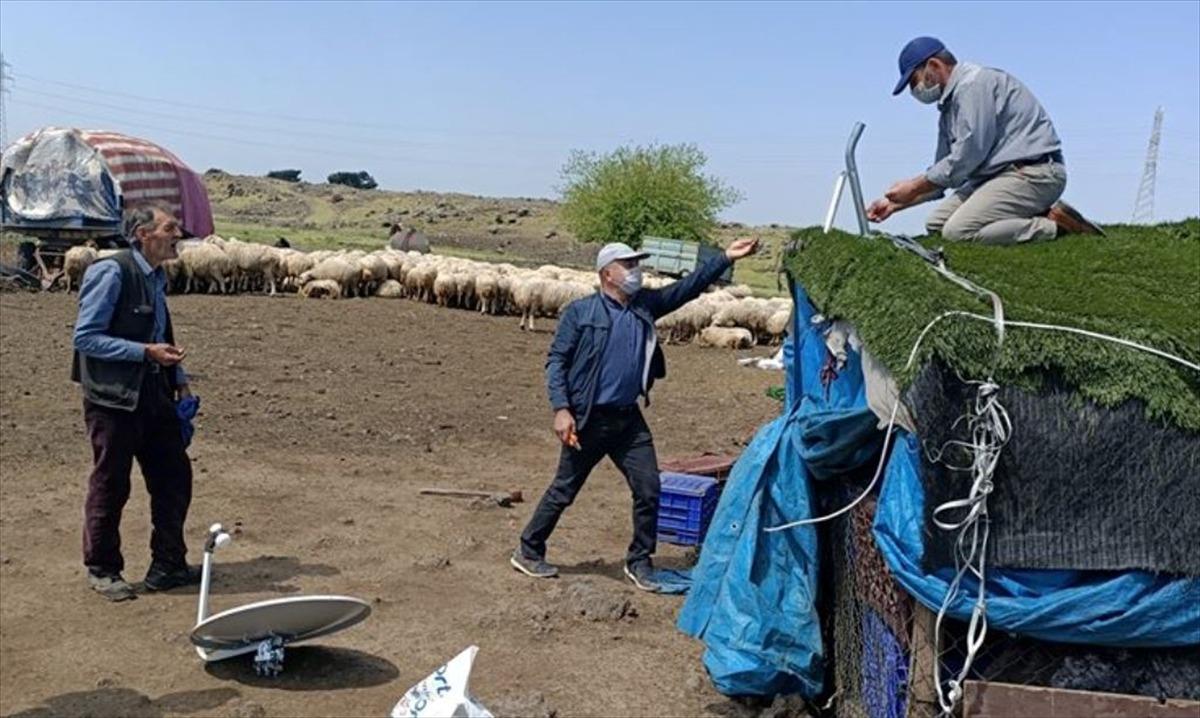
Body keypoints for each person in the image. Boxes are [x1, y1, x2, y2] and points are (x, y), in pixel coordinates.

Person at [511, 237, 759, 592]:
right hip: (588, 419)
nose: (635, 272)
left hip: (628, 420)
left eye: (636, 265)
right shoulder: (580, 313)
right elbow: (556, 362)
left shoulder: (645, 306)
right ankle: (528, 549)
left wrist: (724, 259)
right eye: (628, 266)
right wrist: (561, 409)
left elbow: (686, 289)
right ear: (607, 274)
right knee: (565, 488)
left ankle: (640, 561)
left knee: (649, 488)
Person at [72, 202, 199, 601]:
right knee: (112, 482)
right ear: (143, 234)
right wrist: (145, 352)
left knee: (174, 477)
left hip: (154, 394)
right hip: (113, 399)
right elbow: (86, 337)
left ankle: (168, 564)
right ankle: (104, 568)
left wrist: (178, 379)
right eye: (169, 227)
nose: (178, 234)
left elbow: (162, 329)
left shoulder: (156, 278)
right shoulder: (112, 272)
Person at [866, 37, 1103, 243]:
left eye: (913, 81)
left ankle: (1057, 226)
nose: (914, 90)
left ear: (934, 65)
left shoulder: (974, 86)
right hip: (997, 177)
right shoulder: (948, 107)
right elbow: (944, 174)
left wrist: (914, 185)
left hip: (1033, 172)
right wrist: (896, 205)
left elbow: (967, 157)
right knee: (936, 224)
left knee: (958, 231)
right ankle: (1022, 216)